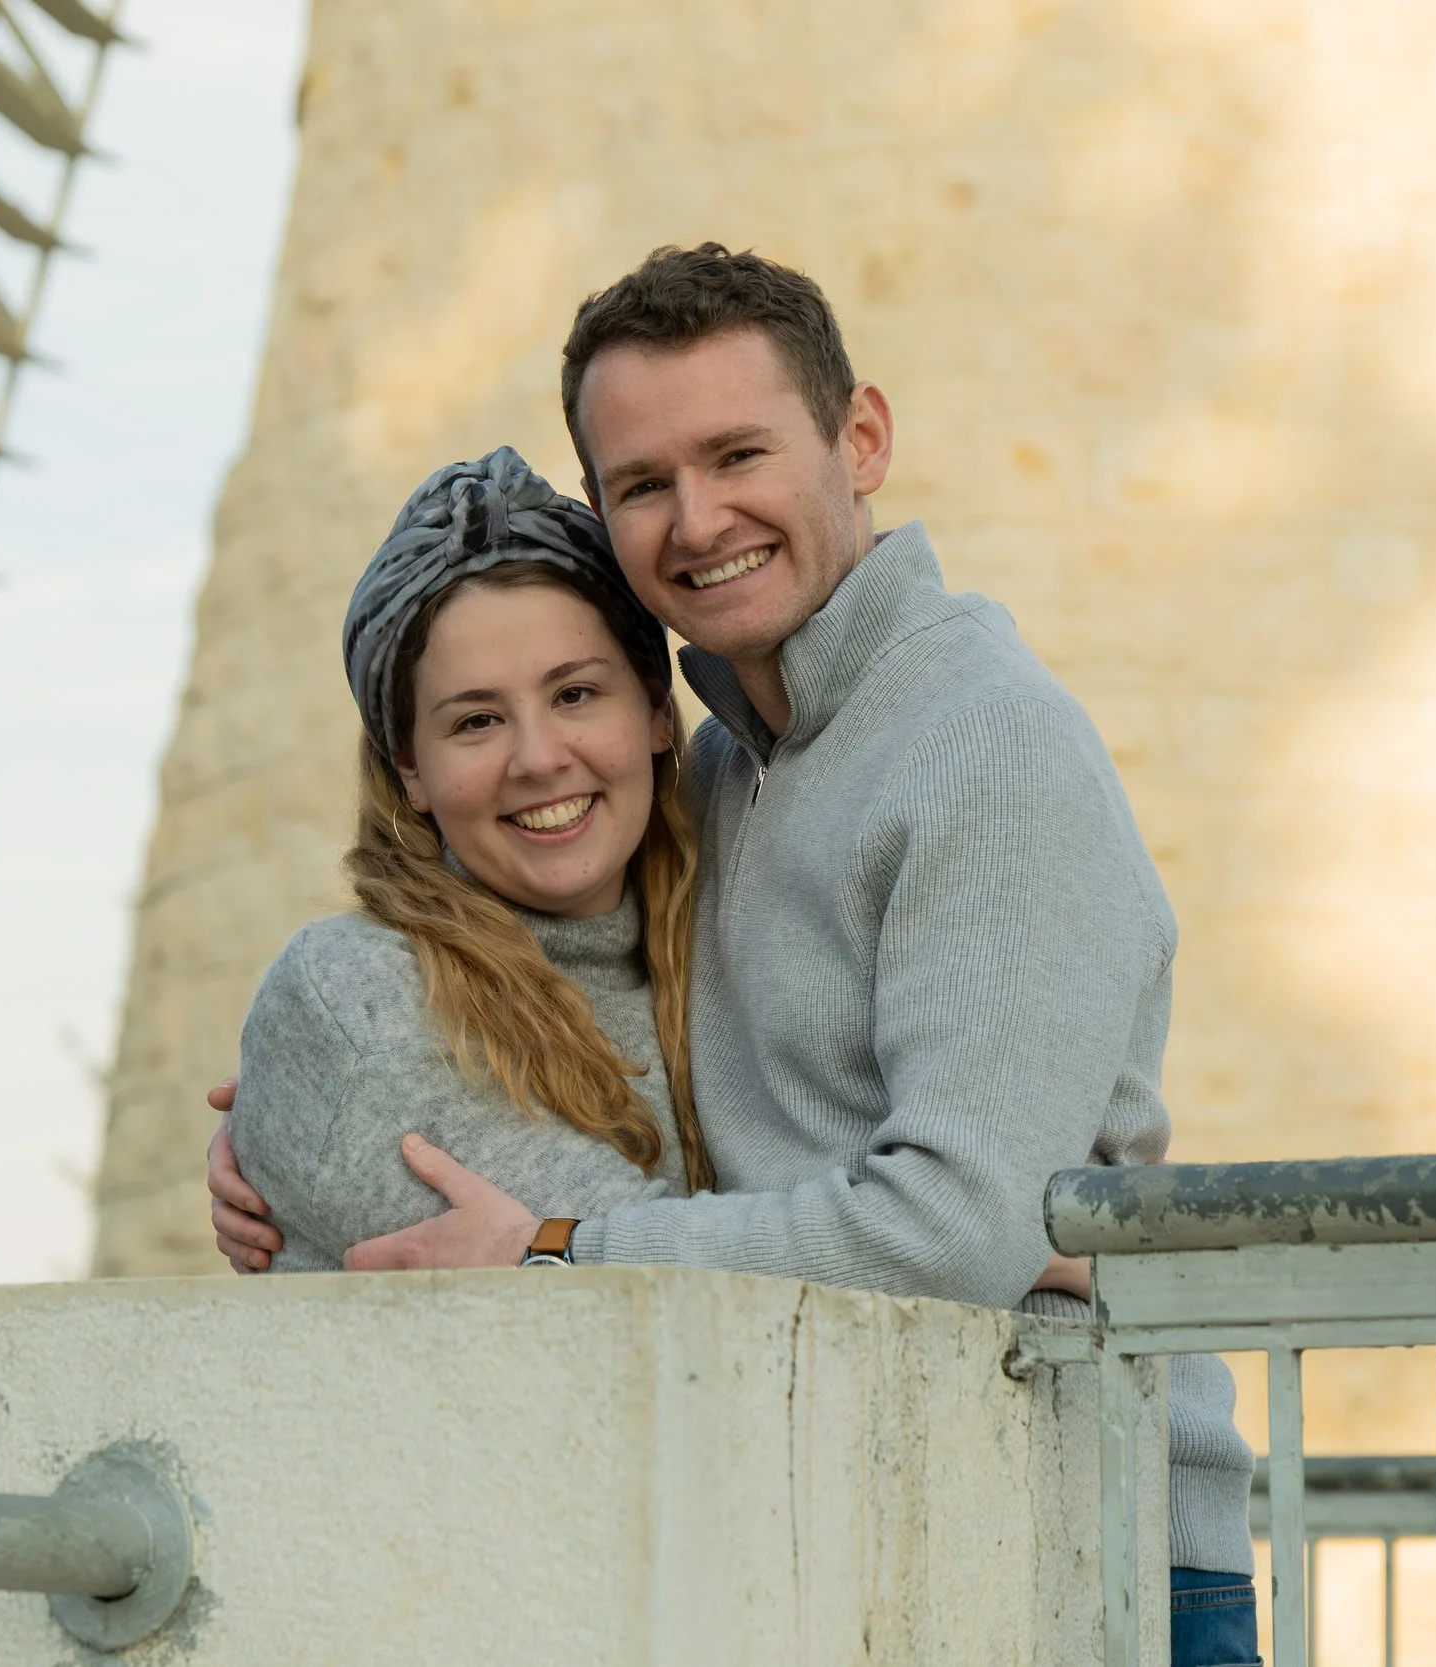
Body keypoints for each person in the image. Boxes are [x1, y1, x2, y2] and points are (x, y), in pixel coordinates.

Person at [211, 246, 1263, 1666]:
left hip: (1076, 1540)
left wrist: (555, 1248)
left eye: (739, 452)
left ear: (863, 438)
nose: (698, 518)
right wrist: (280, 1125)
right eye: (643, 483)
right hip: (851, 1534)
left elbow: (958, 1231)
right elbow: (522, 1007)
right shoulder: (719, 780)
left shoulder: (985, 744)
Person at [227, 447, 712, 1268]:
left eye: (575, 694)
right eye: (476, 720)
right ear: (409, 768)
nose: (537, 758)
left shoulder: (722, 943)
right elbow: (710, 1307)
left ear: (657, 713)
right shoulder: (361, 1002)